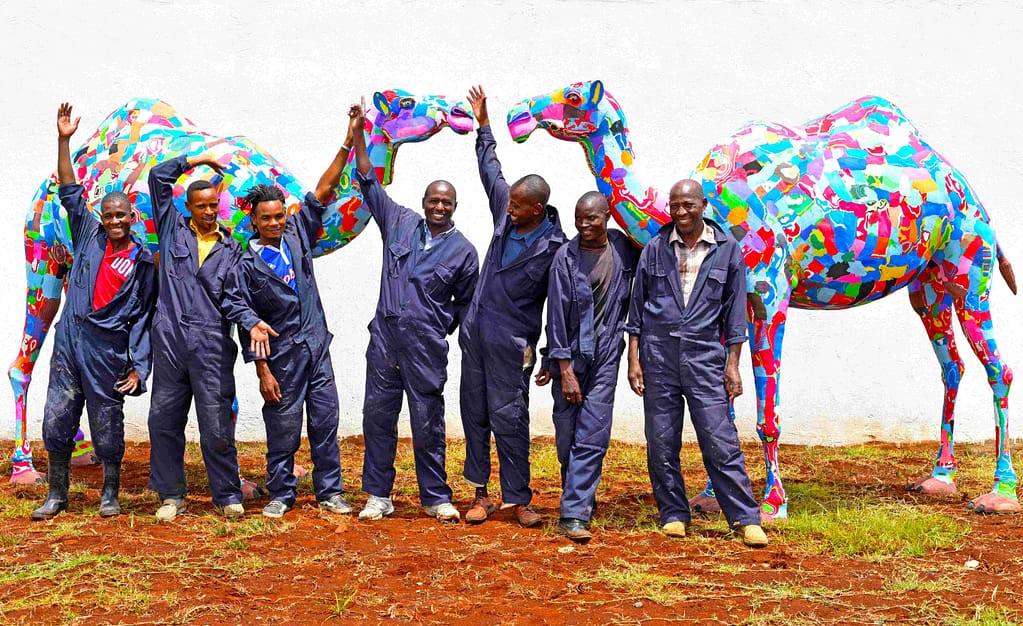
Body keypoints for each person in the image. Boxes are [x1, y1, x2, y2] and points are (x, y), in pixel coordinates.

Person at [348, 99, 479, 523]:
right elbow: (368, 180)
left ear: (454, 208)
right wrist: (358, 132)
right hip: (385, 341)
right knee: (377, 417)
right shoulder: (400, 222)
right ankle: (378, 496)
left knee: (427, 422)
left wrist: (436, 324)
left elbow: (466, 304)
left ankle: (435, 497)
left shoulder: (464, 252)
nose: (439, 207)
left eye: (447, 203)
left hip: (425, 346)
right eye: (434, 200)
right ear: (424, 202)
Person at [32, 103, 158, 520]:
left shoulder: (143, 262)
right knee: (57, 417)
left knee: (108, 423)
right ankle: (57, 494)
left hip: (108, 349)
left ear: (132, 216)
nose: (115, 221)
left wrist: (139, 365)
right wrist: (63, 140)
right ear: (101, 219)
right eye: (109, 215)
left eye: (122, 215)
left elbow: (143, 318)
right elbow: (69, 190)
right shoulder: (88, 233)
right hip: (70, 343)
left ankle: (110, 493)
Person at [625, 179, 768, 548]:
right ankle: (673, 514)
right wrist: (634, 358)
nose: (681, 212)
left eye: (688, 205)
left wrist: (733, 364)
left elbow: (736, 312)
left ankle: (744, 518)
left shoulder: (727, 250)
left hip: (705, 357)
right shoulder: (655, 248)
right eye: (675, 205)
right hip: (658, 356)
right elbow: (636, 309)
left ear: (703, 205)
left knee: (720, 440)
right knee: (660, 441)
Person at [145, 152, 278, 522]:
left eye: (212, 206)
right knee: (163, 420)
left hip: (211, 346)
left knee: (217, 424)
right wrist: (196, 160)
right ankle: (172, 496)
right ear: (187, 207)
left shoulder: (231, 247)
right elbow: (158, 176)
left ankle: (226, 495)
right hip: (170, 340)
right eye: (200, 206)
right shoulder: (172, 228)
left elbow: (235, 298)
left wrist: (251, 322)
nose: (207, 212)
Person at [233, 122, 355, 519]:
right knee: (282, 427)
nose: (274, 223)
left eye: (279, 216)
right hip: (281, 358)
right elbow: (245, 320)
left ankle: (330, 491)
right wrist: (262, 372)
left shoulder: (299, 234)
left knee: (325, 420)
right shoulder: (245, 263)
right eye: (266, 218)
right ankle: (282, 494)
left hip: (317, 348)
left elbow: (323, 191)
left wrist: (347, 140)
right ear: (254, 222)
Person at [459, 85, 566, 526]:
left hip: (513, 343)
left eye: (519, 208)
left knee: (510, 415)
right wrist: (483, 123)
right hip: (477, 336)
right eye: (510, 205)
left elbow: (559, 306)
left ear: (538, 209)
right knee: (475, 412)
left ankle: (518, 497)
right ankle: (482, 494)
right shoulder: (506, 211)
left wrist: (549, 355)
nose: (510, 211)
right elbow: (491, 170)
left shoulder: (556, 248)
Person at [535, 192, 638, 542]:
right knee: (567, 437)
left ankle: (573, 515)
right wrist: (562, 367)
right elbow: (556, 316)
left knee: (592, 435)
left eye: (591, 218)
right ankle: (578, 495)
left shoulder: (624, 250)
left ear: (607, 216)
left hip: (607, 355)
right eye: (579, 218)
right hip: (570, 357)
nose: (584, 225)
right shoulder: (565, 257)